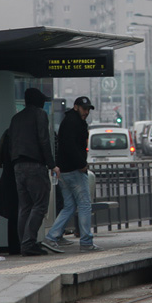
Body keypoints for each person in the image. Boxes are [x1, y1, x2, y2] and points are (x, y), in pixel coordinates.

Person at [45, 96, 102, 252]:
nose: (86, 112)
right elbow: (72, 147)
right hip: (74, 170)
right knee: (84, 205)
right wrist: (82, 165)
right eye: (84, 109)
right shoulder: (74, 123)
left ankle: (51, 236)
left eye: (88, 110)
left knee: (69, 206)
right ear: (76, 107)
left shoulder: (68, 121)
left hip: (64, 171)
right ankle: (86, 242)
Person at [8, 87, 59, 256]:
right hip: (34, 166)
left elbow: (11, 145)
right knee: (40, 205)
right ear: (38, 101)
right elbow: (44, 140)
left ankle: (23, 243)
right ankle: (29, 244)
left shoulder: (16, 118)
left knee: (24, 207)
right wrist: (52, 165)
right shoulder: (39, 114)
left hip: (18, 167)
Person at [0, 129, 20, 256]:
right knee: (22, 211)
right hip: (16, 177)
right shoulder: (20, 135)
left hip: (8, 177)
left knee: (13, 216)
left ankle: (14, 247)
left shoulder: (7, 134)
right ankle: (21, 244)